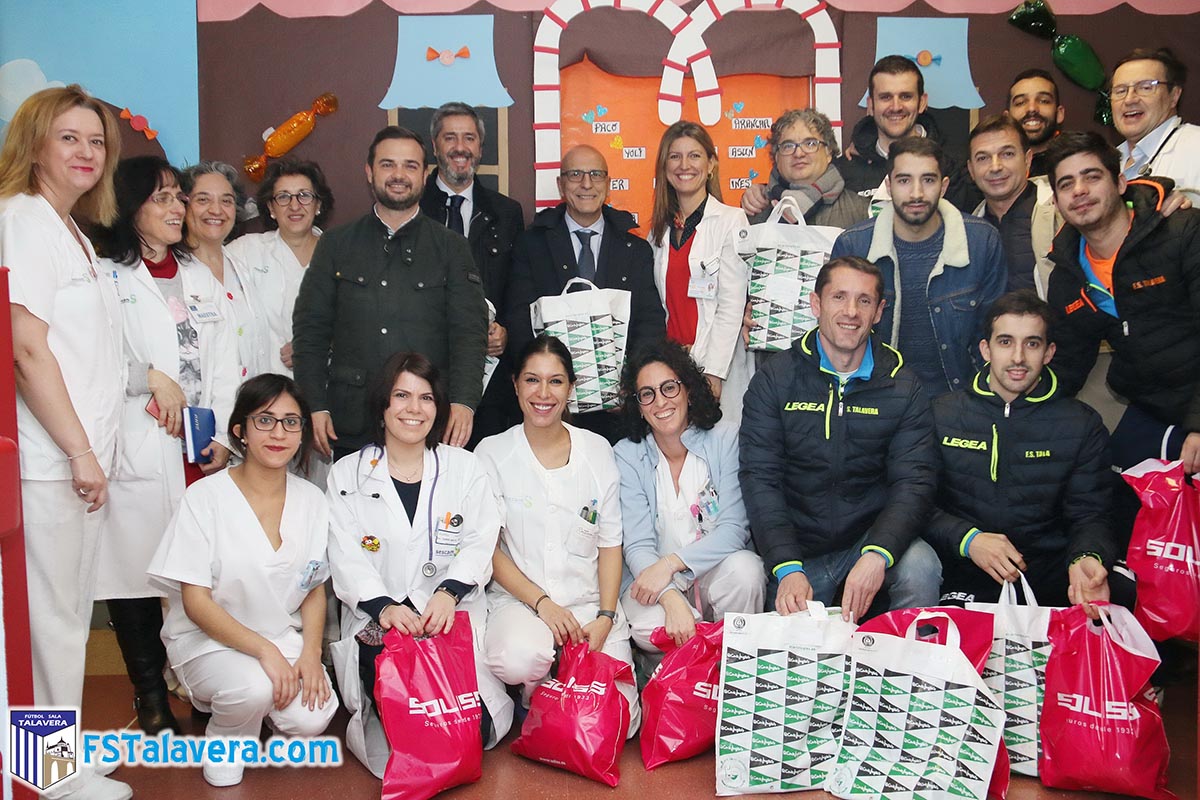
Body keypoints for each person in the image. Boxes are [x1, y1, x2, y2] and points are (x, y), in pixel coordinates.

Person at [0, 84, 131, 800]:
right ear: (35, 145)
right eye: (69, 138)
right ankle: (44, 772)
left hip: (76, 461)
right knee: (46, 620)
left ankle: (53, 754)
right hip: (49, 463)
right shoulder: (21, 220)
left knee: (64, 616)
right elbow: (26, 348)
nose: (87, 153)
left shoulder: (70, 229)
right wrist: (80, 451)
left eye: (96, 141)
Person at [92, 155, 241, 736]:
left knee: (200, 580)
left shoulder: (199, 277)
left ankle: (206, 692)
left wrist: (226, 436)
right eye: (163, 198)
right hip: (138, 447)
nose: (179, 208)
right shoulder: (107, 276)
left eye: (180, 196)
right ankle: (151, 700)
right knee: (132, 578)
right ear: (131, 210)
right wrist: (146, 375)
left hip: (200, 455)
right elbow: (90, 355)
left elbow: (226, 364)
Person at [326, 352, 513, 778]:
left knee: (476, 729)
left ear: (439, 407)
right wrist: (386, 608)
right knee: (406, 718)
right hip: (381, 617)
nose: (414, 408)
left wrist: (448, 593)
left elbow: (482, 538)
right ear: (383, 405)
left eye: (426, 398)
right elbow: (345, 554)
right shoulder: (347, 475)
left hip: (451, 611)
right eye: (402, 395)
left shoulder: (463, 468)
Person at [146, 374, 337, 787]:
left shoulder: (312, 500)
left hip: (280, 635)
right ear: (240, 432)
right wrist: (264, 652)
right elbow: (196, 603)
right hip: (207, 640)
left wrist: (309, 654)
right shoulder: (206, 498)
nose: (278, 433)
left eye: (291, 422)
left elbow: (313, 587)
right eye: (264, 420)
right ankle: (226, 738)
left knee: (313, 716)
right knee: (251, 688)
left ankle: (261, 705)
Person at [739, 256, 940, 623]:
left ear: (879, 311)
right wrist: (786, 566)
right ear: (816, 304)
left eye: (864, 301)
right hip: (797, 551)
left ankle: (906, 669)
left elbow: (915, 482)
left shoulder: (902, 384)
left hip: (866, 543)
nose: (851, 312)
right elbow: (760, 478)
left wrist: (878, 553)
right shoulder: (775, 379)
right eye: (839, 298)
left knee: (921, 565)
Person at [476, 335, 641, 737]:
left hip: (587, 605)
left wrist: (605, 616)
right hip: (522, 604)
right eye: (532, 380)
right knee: (521, 656)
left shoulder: (598, 449)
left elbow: (609, 543)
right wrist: (543, 603)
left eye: (555, 381)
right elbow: (489, 550)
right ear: (514, 385)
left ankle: (560, 684)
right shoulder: (491, 453)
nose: (543, 394)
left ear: (571, 387)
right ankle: (534, 692)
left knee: (620, 725)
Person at [929, 290, 1132, 612]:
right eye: (1006, 342)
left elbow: (1091, 514)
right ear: (986, 349)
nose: (1018, 358)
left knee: (1121, 592)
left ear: (1049, 352)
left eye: (1032, 344)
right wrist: (968, 540)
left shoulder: (1081, 424)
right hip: (967, 566)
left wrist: (1087, 556)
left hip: (1050, 567)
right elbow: (916, 502)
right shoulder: (942, 415)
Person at [293, 126, 487, 457]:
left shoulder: (451, 247)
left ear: (425, 175)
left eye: (410, 166)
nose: (399, 175)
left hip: (428, 421)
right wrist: (314, 404)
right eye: (387, 164)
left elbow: (469, 333)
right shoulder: (335, 244)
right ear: (369, 172)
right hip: (352, 422)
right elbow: (310, 331)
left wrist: (464, 402)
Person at [1042, 131, 1200, 479]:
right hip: (1150, 412)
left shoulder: (1183, 232)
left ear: (1121, 182)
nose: (1079, 191)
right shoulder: (1067, 275)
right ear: (1056, 201)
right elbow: (1067, 366)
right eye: (1066, 184)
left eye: (1092, 177)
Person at [505, 145, 664, 442]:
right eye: (575, 174)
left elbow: (650, 322)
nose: (586, 184)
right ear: (560, 184)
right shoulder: (531, 245)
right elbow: (518, 322)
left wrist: (631, 382)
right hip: (550, 409)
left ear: (608, 183)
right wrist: (548, 386)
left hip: (618, 412)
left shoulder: (635, 249)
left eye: (596, 174)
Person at [614, 339, 764, 652]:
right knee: (648, 625)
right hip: (653, 580)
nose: (660, 402)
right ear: (638, 407)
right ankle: (680, 681)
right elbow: (638, 545)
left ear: (689, 391)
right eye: (647, 394)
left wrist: (670, 564)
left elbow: (735, 530)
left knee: (747, 572)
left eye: (669, 387)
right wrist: (670, 597)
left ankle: (733, 663)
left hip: (709, 572)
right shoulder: (626, 456)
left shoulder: (726, 440)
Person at [831, 137, 1007, 396]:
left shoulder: (981, 242)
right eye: (904, 180)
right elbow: (833, 336)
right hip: (877, 402)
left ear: (944, 186)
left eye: (928, 180)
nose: (916, 193)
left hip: (961, 400)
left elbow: (996, 336)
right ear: (889, 186)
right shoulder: (854, 245)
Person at [419, 102, 525, 447]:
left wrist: (506, 333)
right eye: (450, 138)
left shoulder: (506, 213)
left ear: (480, 147)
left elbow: (519, 288)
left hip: (488, 389)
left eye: (469, 138)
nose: (460, 147)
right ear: (435, 146)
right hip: (422, 380)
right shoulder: (412, 208)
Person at [646, 122, 753, 424]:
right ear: (664, 167)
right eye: (674, 156)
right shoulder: (658, 232)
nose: (684, 165)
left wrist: (714, 372)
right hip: (671, 366)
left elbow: (732, 304)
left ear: (710, 165)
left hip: (715, 368)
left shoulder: (731, 221)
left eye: (694, 156)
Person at [226, 156, 334, 377]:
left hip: (325, 388)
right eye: (283, 197)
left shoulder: (342, 256)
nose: (294, 205)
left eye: (304, 196)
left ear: (319, 204)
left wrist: (321, 343)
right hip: (263, 389)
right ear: (271, 208)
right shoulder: (246, 250)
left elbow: (362, 323)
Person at [181, 161, 272, 379]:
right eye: (203, 200)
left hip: (249, 404)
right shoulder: (174, 272)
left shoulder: (240, 266)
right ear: (182, 206)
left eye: (226, 201)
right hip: (199, 409)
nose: (216, 210)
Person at [966, 115, 1059, 293]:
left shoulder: (1061, 213)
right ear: (971, 170)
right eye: (983, 158)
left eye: (1007, 154)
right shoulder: (967, 229)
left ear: (1027, 160)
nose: (995, 167)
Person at [740, 108, 869, 228]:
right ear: (776, 157)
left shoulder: (861, 211)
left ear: (828, 153)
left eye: (810, 144)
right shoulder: (756, 209)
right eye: (788, 146)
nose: (799, 153)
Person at [1112, 47, 1200, 201]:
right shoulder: (1106, 162)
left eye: (1146, 88)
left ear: (1174, 95)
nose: (1129, 99)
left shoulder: (1195, 147)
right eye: (1120, 91)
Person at [1005, 68, 1065, 178]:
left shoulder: (1075, 164)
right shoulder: (989, 171)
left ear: (1059, 113)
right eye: (1020, 102)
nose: (1032, 109)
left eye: (1043, 101)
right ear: (1007, 117)